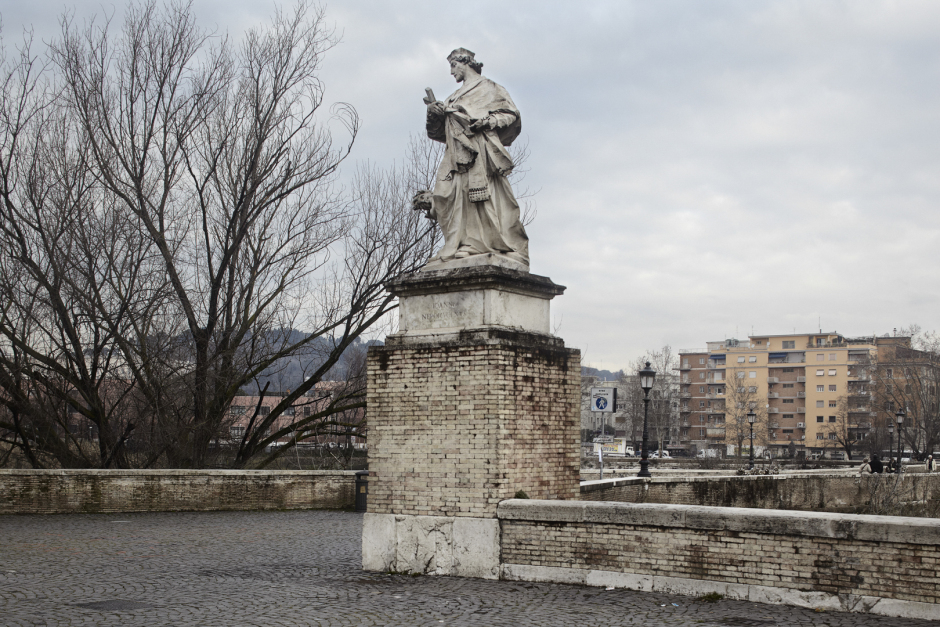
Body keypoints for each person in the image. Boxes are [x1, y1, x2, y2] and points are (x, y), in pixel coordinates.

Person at [418, 48, 529, 265]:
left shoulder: (489, 88)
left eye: (453, 66)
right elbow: (439, 133)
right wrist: (434, 112)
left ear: (465, 62)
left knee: (476, 196)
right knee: (445, 195)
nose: (451, 72)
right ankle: (457, 242)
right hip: (455, 155)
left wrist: (488, 122)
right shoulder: (453, 97)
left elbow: (510, 114)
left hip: (478, 150)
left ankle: (474, 244)